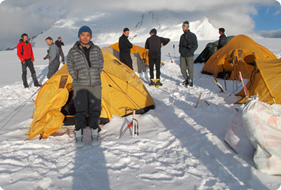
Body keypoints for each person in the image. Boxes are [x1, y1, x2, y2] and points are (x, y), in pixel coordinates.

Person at [67, 26, 104, 143]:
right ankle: (79, 135)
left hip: (95, 84)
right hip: (80, 84)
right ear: (79, 36)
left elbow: (101, 63)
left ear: (91, 37)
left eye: (88, 35)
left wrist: (95, 74)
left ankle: (94, 133)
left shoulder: (97, 49)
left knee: (95, 109)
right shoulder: (73, 51)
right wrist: (76, 76)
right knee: (80, 110)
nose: (85, 37)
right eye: (83, 35)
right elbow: (69, 65)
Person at [179, 21, 198, 87]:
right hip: (182, 55)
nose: (183, 28)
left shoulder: (192, 36)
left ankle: (191, 80)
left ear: (187, 27)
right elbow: (180, 45)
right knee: (182, 68)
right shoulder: (182, 36)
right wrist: (180, 51)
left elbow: (196, 45)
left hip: (189, 55)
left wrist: (191, 51)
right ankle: (187, 79)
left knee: (190, 69)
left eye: (184, 27)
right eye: (183, 27)